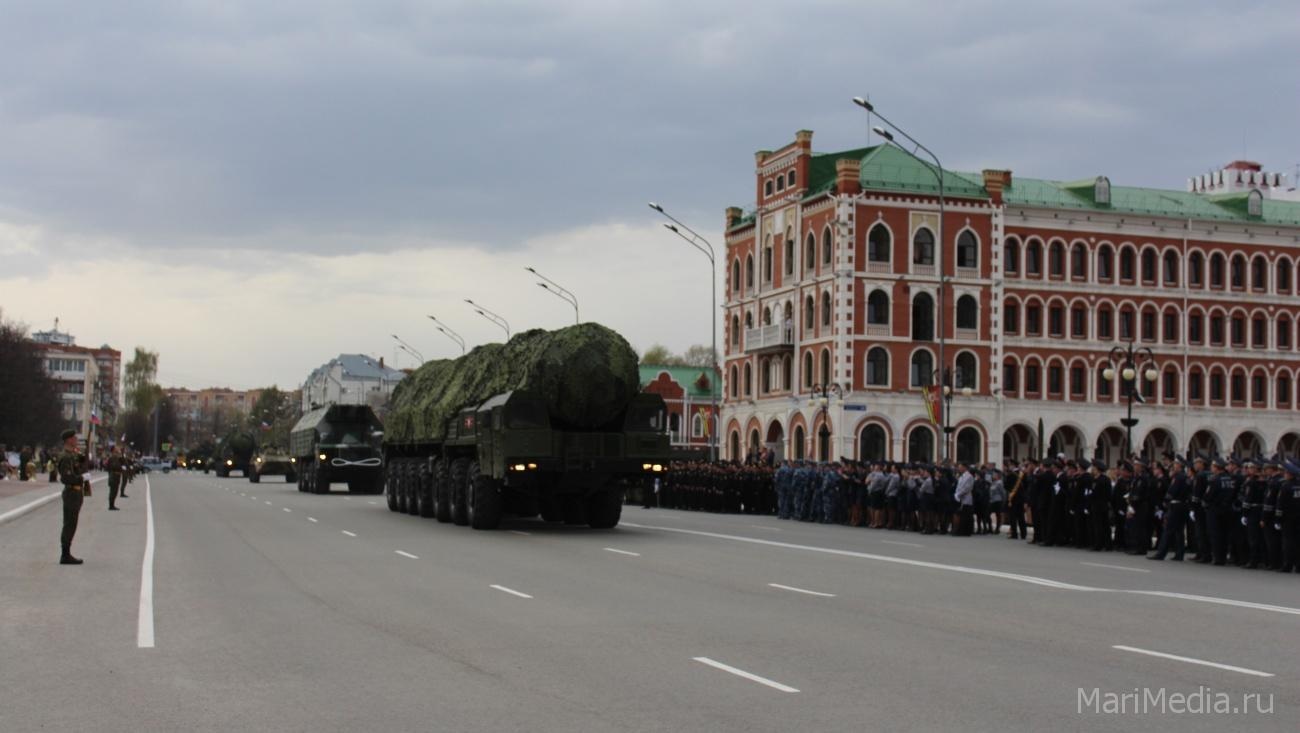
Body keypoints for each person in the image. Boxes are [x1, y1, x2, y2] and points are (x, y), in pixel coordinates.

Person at [56, 430, 89, 565]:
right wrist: (82, 478)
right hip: (71, 493)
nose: (76, 439)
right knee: (69, 523)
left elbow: (78, 468)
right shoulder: (66, 456)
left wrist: (82, 461)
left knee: (72, 523)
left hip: (76, 493)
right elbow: (66, 478)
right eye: (74, 437)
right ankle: (65, 554)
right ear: (68, 440)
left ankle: (67, 553)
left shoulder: (72, 455)